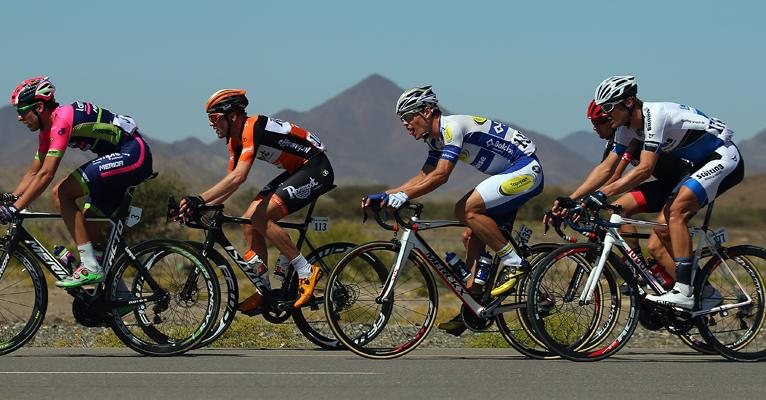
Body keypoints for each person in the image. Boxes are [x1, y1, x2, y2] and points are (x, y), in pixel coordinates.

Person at [364, 85, 544, 333]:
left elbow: (440, 176)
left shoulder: (451, 128)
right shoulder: (435, 140)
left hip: (524, 168)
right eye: (402, 120)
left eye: (408, 117)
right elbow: (424, 175)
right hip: (508, 173)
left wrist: (404, 196)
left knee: (466, 210)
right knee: (471, 235)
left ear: (427, 111)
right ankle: (474, 306)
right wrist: (387, 194)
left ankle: (514, 263)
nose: (405, 124)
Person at [565, 76, 743, 309]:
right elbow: (607, 168)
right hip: (696, 165)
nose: (606, 114)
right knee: (660, 234)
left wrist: (602, 194)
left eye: (609, 107)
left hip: (722, 157)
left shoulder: (654, 116)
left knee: (676, 213)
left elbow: (645, 169)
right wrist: (571, 198)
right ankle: (703, 292)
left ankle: (685, 291)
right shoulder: (626, 128)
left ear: (628, 103)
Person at [177, 89, 333, 310]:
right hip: (296, 170)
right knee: (248, 221)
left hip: (316, 167)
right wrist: (201, 205)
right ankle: (265, 291)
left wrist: (199, 199)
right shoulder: (234, 141)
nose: (212, 124)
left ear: (232, 115)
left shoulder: (252, 127)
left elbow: (240, 176)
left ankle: (306, 270)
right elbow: (232, 182)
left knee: (260, 217)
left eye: (214, 118)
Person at [1, 76, 153, 287]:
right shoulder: (47, 131)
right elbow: (34, 172)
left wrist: (16, 208)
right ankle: (116, 297)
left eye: (21, 111)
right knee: (90, 229)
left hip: (134, 154)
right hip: (119, 156)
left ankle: (89, 266)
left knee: (62, 192)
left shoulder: (62, 120)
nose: (19, 118)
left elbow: (46, 174)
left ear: (38, 106)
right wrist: (12, 200)